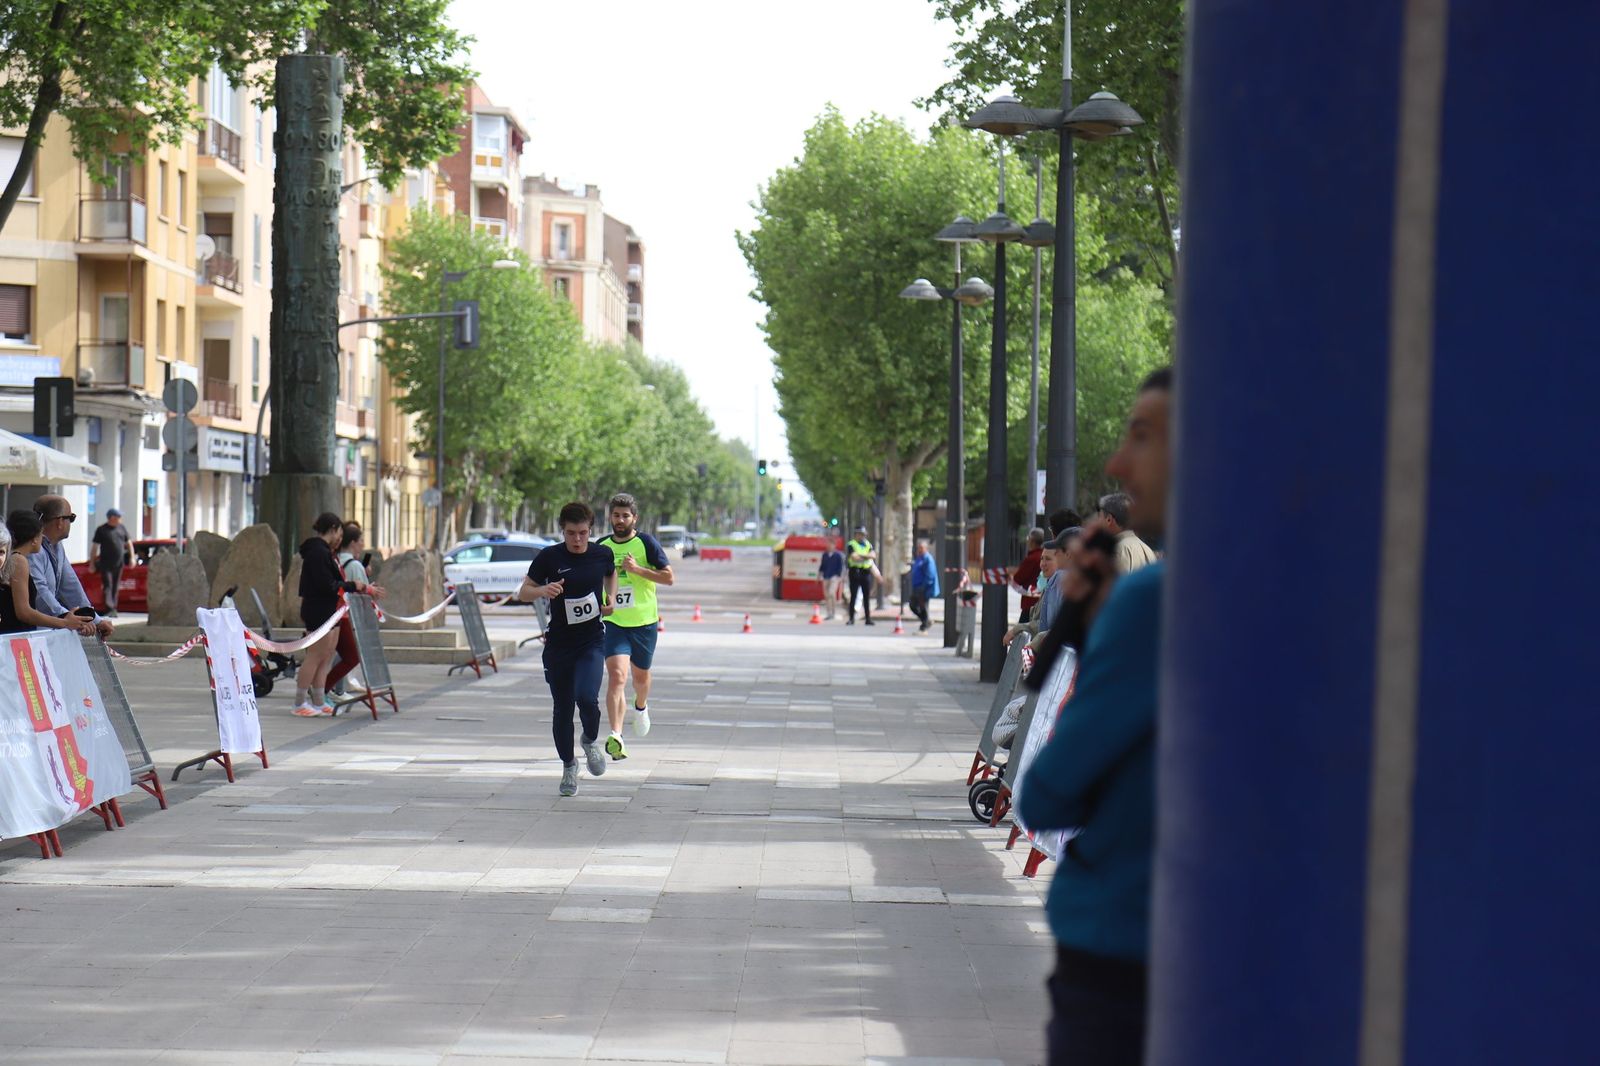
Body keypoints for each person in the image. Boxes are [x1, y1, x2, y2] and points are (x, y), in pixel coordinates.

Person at [1019, 367, 1171, 1066]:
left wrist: (1096, 633)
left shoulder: (1156, 602)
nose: (1117, 462)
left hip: (1123, 945)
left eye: (1143, 436)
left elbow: (1046, 791)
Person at [519, 500, 617, 796]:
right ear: (562, 530)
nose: (577, 540)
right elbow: (524, 592)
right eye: (571, 533)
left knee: (587, 698)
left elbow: (610, 574)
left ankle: (589, 740)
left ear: (591, 531)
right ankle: (569, 766)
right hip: (559, 644)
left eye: (583, 533)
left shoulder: (602, 553)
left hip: (591, 641)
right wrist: (542, 590)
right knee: (562, 709)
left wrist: (609, 599)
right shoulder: (549, 557)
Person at [596, 493, 673, 760]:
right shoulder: (602, 546)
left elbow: (668, 577)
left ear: (634, 518)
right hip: (614, 622)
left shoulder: (646, 543)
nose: (620, 520)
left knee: (641, 679)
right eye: (616, 515)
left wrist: (638, 569)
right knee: (617, 676)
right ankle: (616, 735)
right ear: (610, 517)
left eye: (625, 516)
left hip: (644, 623)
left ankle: (641, 706)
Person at [294, 513, 383, 717]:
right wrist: (354, 585)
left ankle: (318, 700)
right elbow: (327, 584)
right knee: (315, 656)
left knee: (325, 656)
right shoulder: (317, 552)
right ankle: (299, 702)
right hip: (318, 609)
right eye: (339, 533)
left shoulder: (326, 552)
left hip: (330, 609)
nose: (340, 538)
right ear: (332, 529)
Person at [28, 494, 112, 637]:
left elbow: (71, 587)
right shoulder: (33, 549)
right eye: (71, 518)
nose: (71, 523)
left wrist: (93, 619)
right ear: (60, 521)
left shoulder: (57, 547)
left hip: (46, 631)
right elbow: (40, 593)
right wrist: (66, 617)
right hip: (29, 632)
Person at [2, 512, 96, 636]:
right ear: (35, 539)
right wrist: (64, 622)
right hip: (13, 636)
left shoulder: (14, 559)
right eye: (41, 535)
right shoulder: (19, 561)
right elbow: (24, 612)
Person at [329, 522, 370, 698]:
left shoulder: (335, 561)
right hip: (347, 616)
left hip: (335, 613)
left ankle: (326, 688)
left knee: (336, 655)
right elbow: (364, 593)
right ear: (353, 542)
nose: (362, 544)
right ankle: (329, 688)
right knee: (349, 655)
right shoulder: (355, 566)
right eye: (361, 540)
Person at [1097, 492, 1157, 573]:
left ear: (1109, 519)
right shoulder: (1147, 549)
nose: (1097, 523)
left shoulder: (1117, 550)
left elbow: (1115, 585)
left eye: (1099, 517)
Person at [88, 508, 132, 616]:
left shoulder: (122, 528)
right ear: (112, 518)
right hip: (105, 563)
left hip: (119, 563)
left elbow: (129, 543)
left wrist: (132, 558)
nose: (121, 519)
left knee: (116, 586)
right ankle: (109, 608)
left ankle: (114, 608)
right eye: (119, 517)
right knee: (108, 585)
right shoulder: (102, 530)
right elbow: (95, 547)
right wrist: (92, 563)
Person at [1013, 527, 1047, 622]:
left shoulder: (1032, 559)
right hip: (1042, 602)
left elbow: (1018, 578)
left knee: (1023, 630)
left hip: (1030, 603)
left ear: (1032, 541)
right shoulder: (1044, 556)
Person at [845, 525, 876, 625]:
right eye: (860, 534)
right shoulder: (851, 544)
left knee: (866, 596)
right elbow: (854, 558)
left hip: (865, 572)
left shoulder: (868, 544)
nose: (862, 536)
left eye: (863, 534)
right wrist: (866, 556)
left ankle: (868, 618)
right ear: (856, 534)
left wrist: (860, 555)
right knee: (853, 596)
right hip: (854, 572)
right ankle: (851, 618)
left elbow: (873, 556)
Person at [907, 538, 940, 632]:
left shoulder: (928, 559)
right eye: (919, 548)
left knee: (923, 607)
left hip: (923, 588)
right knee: (913, 605)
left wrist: (923, 588)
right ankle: (926, 621)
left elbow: (929, 575)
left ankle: (924, 626)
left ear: (926, 548)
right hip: (916, 587)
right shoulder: (920, 558)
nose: (919, 550)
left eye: (921, 548)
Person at [818, 539, 845, 620]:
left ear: (834, 545)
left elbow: (840, 566)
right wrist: (819, 575)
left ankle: (833, 611)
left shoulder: (838, 555)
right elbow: (822, 566)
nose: (829, 546)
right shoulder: (825, 555)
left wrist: (839, 577)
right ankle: (829, 612)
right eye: (828, 544)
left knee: (831, 592)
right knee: (827, 595)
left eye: (830, 544)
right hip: (826, 576)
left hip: (834, 577)